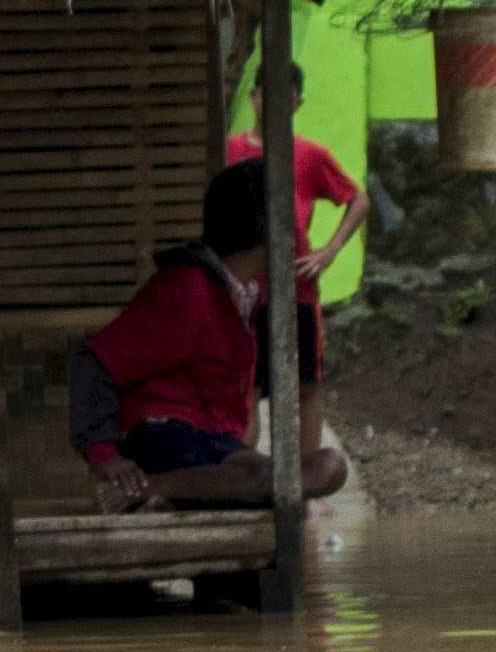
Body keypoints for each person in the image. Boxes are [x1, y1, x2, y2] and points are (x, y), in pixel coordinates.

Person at [73, 160, 352, 513]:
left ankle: (172, 499)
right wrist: (104, 457)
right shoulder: (187, 289)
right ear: (266, 233)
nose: (295, 233)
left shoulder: (242, 295)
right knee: (263, 479)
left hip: (207, 450)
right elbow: (94, 361)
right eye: (289, 221)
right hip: (161, 439)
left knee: (327, 467)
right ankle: (147, 489)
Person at [222, 62, 363, 427]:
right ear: (254, 97)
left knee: (305, 388)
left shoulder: (310, 156)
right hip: (242, 292)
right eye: (268, 94)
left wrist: (329, 252)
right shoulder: (227, 153)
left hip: (297, 290)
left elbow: (358, 200)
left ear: (298, 104)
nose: (276, 104)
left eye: (287, 97)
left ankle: (307, 480)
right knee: (245, 389)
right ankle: (247, 479)